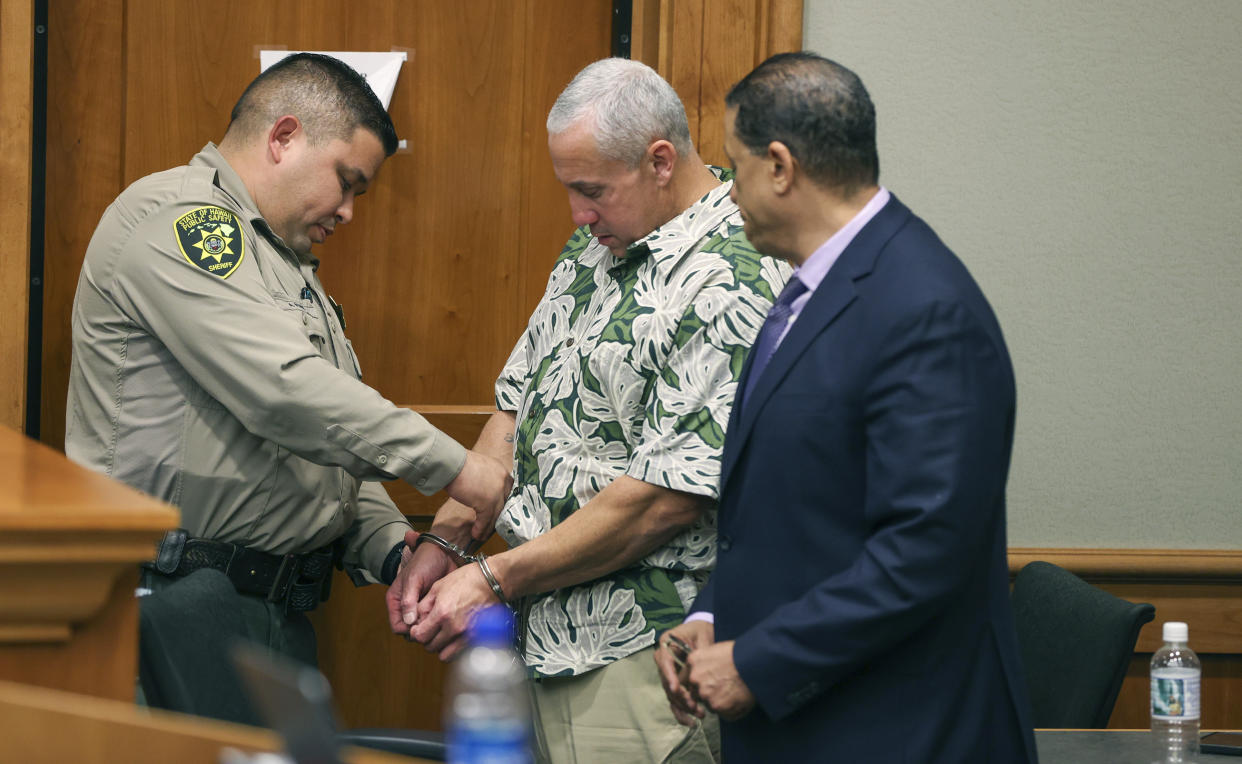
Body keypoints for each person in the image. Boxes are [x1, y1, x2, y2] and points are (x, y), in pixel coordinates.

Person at [64, 52, 510, 725]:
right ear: (283, 137)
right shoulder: (182, 222)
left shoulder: (283, 264)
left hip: (269, 619)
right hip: (172, 610)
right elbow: (286, 393)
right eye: (348, 181)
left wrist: (394, 547)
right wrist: (457, 470)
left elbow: (320, 442)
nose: (350, 212)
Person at [391, 58, 788, 762]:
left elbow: (664, 501)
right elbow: (516, 407)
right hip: (541, 639)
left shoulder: (736, 269)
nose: (577, 213)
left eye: (592, 190)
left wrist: (490, 579)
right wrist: (451, 536)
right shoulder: (598, 244)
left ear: (660, 160)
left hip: (643, 652)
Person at [654, 52, 1038, 762]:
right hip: (811, 727)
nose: (726, 192)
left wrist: (759, 659)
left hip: (896, 731)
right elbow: (785, 508)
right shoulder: (810, 292)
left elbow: (925, 550)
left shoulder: (924, 307)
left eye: (732, 167)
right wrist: (712, 613)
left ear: (779, 166)